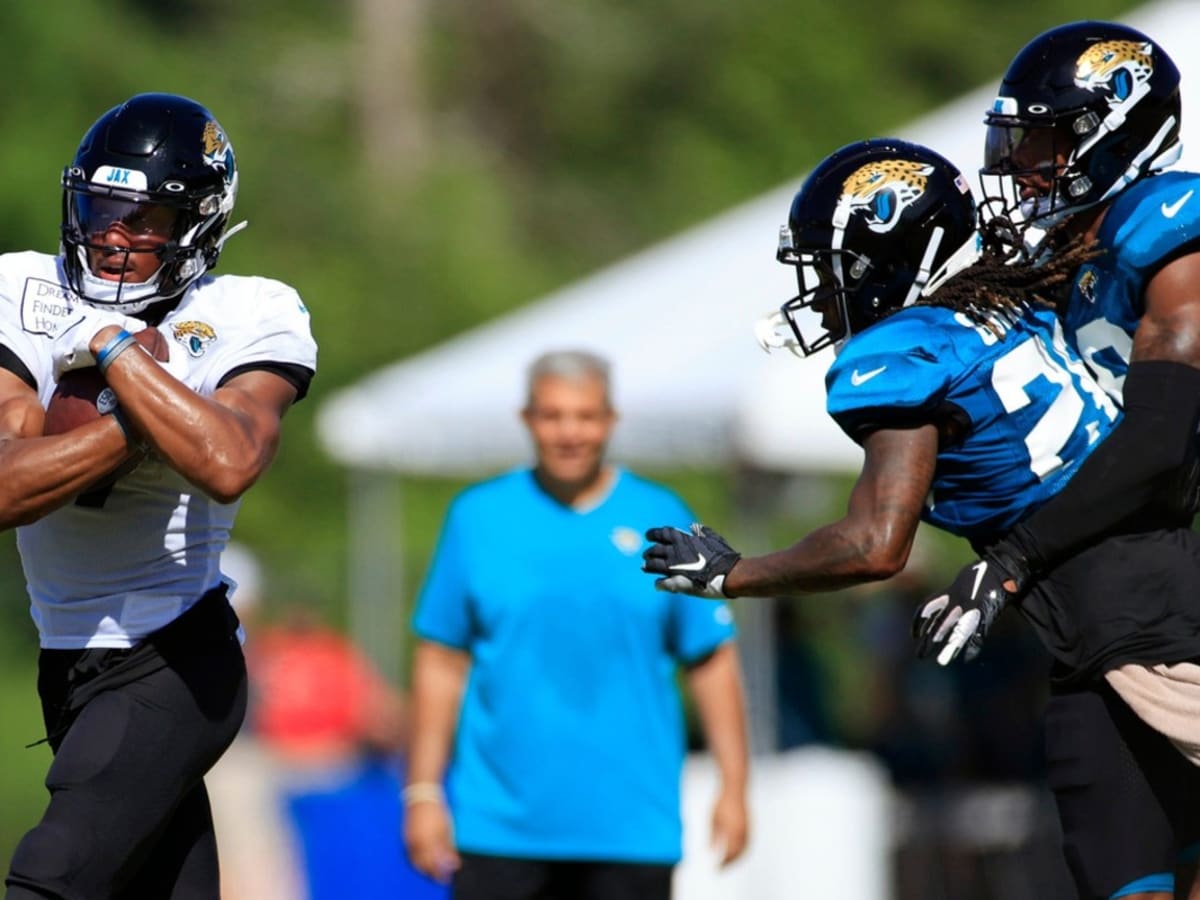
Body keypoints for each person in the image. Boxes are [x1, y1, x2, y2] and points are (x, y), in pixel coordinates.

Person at [642, 136, 1200, 900]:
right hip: (1100, 644)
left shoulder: (905, 352)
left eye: (833, 267)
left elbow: (875, 544)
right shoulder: (1014, 304)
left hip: (1141, 631)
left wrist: (737, 575)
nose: (824, 291)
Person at [0, 93, 317, 899]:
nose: (113, 234)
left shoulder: (251, 311)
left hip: (174, 656)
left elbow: (229, 459)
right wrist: (138, 427)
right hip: (65, 659)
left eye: (146, 219)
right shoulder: (22, 288)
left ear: (198, 226)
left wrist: (115, 354)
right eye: (103, 205)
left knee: (50, 879)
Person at [910, 21, 1200, 899]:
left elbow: (1154, 440)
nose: (1023, 163)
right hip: (1100, 619)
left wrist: (1009, 562)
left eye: (1044, 137)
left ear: (1111, 128)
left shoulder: (1173, 236)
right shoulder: (1068, 250)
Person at [404, 349, 749, 900]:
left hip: (631, 829)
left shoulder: (661, 519)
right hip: (498, 827)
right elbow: (440, 660)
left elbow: (710, 658)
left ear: (610, 420)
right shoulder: (477, 517)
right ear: (528, 419)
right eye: (553, 415)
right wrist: (422, 793)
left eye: (586, 416)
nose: (570, 432)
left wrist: (735, 787)